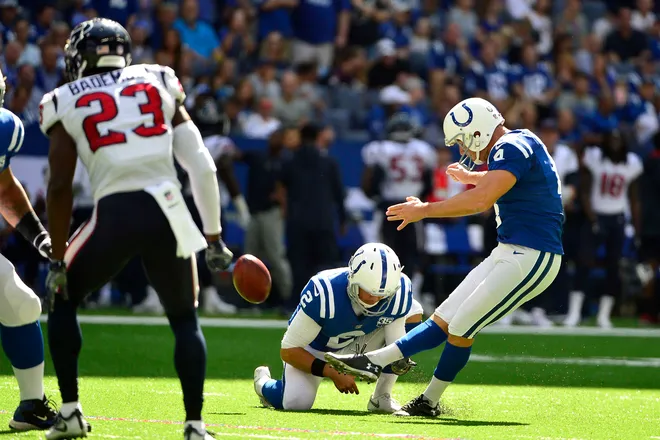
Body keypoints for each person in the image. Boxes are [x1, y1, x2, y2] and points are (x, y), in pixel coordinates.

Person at [39, 19, 232, 440]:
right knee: (184, 318)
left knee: (63, 298)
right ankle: (196, 425)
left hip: (115, 211)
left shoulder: (63, 98)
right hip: (169, 208)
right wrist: (214, 237)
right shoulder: (158, 78)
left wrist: (57, 254)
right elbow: (200, 163)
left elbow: (58, 187)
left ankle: (70, 411)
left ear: (81, 57)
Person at [325, 97, 563, 416]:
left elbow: (482, 200)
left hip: (533, 253)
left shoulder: (509, 147)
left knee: (462, 325)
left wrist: (425, 210)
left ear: (478, 131)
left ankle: (387, 369)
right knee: (444, 318)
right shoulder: (519, 141)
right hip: (512, 250)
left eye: (463, 140)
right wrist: (475, 177)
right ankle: (415, 392)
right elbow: (511, 181)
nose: (464, 149)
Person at [253, 243, 423, 412]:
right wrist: (332, 372)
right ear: (354, 279)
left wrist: (396, 360)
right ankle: (263, 383)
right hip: (315, 349)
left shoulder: (399, 293)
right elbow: (289, 350)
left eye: (382, 294)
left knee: (413, 310)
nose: (375, 298)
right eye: (369, 291)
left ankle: (381, 397)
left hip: (358, 341)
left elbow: (398, 347)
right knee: (295, 402)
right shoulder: (324, 290)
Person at [0, 73, 58, 431]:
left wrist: (40, 238)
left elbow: (3, 186)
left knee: (19, 303)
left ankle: (31, 405)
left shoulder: (6, 128)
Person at [563, 130, 642, 328]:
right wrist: (592, 218)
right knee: (584, 261)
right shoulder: (596, 157)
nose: (615, 144)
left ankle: (604, 315)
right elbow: (585, 191)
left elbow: (634, 198)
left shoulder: (631, 162)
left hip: (617, 218)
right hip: (596, 216)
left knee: (613, 266)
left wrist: (636, 228)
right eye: (611, 139)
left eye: (619, 140)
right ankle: (574, 313)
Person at [361, 112, 436, 280]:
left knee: (382, 252)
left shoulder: (379, 149)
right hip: (413, 206)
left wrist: (376, 198)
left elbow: (368, 182)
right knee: (412, 251)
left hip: (389, 206)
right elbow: (429, 183)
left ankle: (384, 288)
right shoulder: (423, 150)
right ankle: (410, 288)